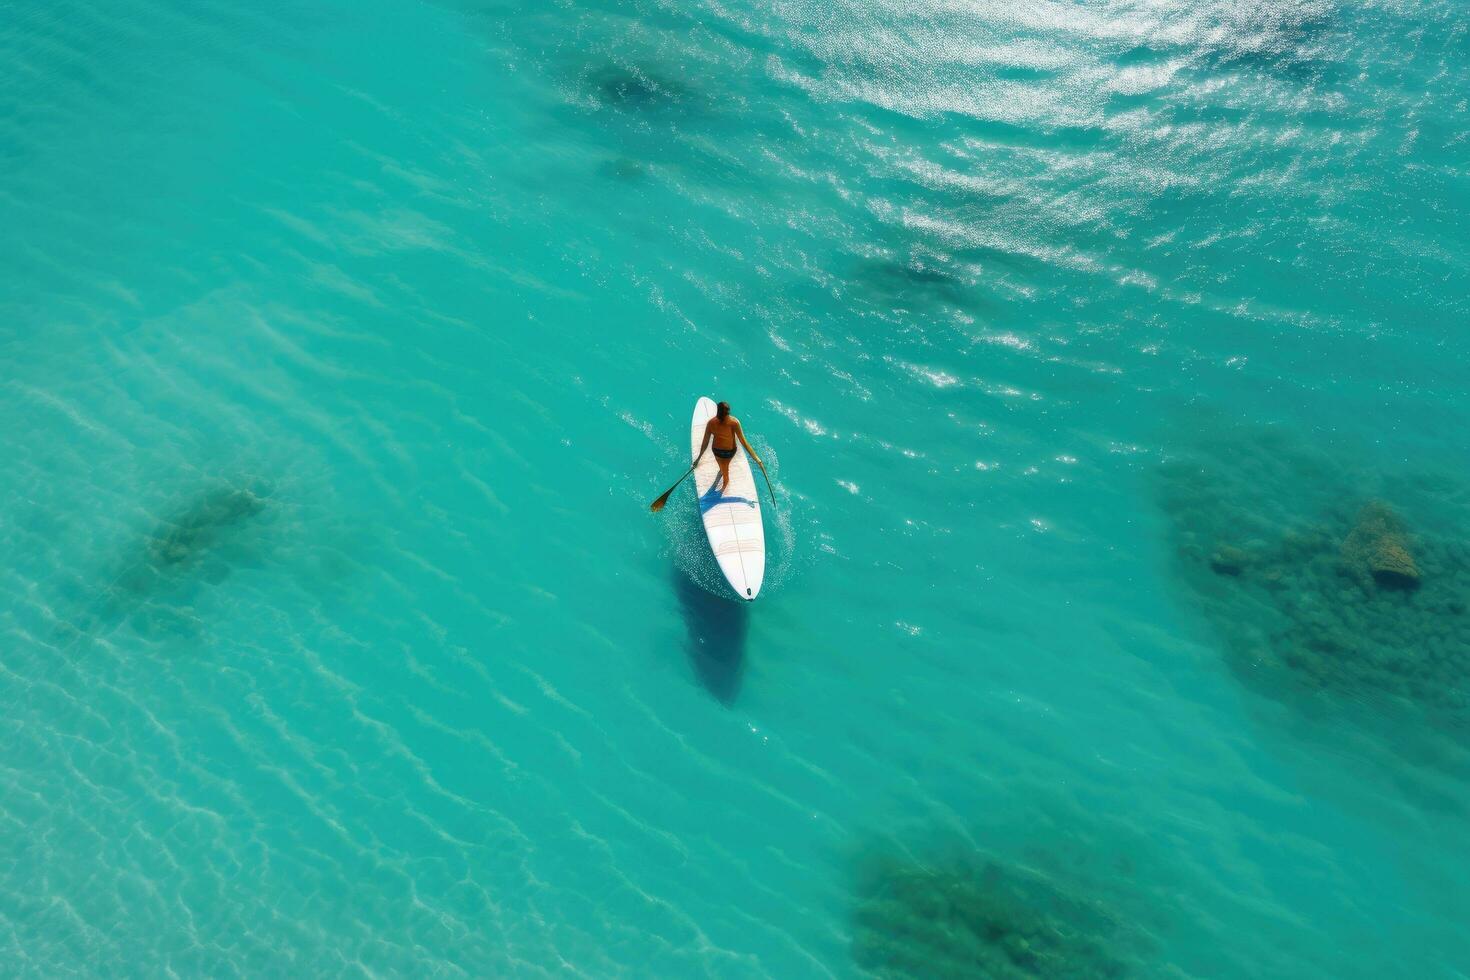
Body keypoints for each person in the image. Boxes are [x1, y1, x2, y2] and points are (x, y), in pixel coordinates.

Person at [695, 401, 762, 495]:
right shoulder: (734, 422)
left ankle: (722, 474)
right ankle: (723, 487)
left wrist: (698, 458)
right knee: (725, 469)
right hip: (729, 452)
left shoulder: (711, 423)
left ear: (717, 411)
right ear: (728, 412)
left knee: (723, 467)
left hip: (718, 451)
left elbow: (705, 443)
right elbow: (743, 442)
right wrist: (756, 459)